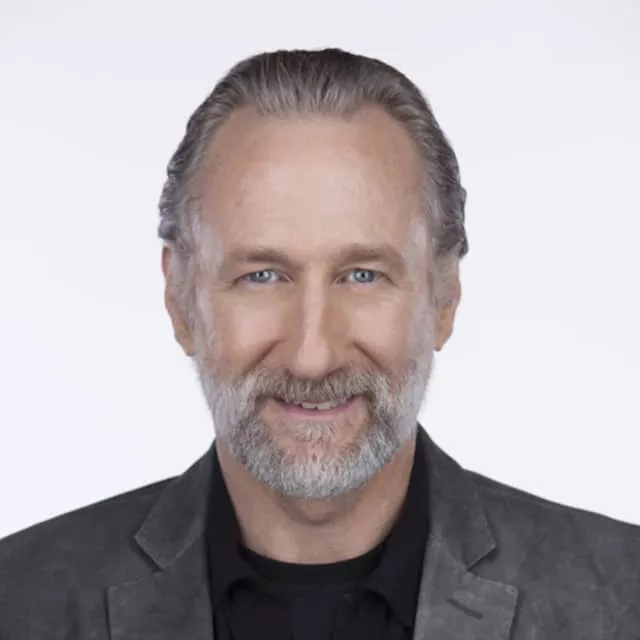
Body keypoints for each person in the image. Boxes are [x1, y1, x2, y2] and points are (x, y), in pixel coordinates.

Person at [0, 47, 638, 640]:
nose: (313, 356)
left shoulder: (623, 600)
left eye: (363, 275)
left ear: (444, 297)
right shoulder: (18, 601)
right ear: (180, 298)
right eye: (262, 276)